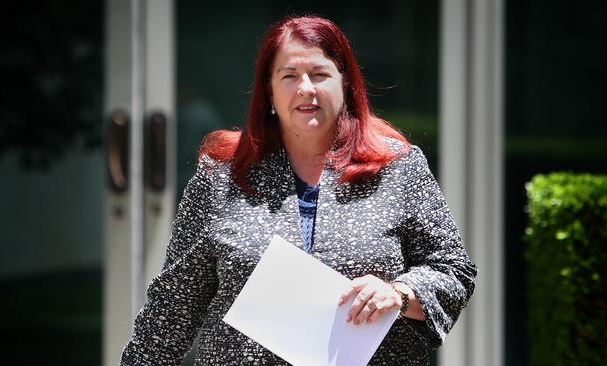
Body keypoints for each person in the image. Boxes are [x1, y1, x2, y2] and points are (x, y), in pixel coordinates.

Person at [120, 15, 477, 365]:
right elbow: (171, 310)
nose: (306, 88)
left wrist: (399, 293)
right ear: (269, 92)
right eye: (289, 76)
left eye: (320, 74)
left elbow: (453, 270)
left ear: (346, 85)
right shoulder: (221, 177)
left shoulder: (397, 167)